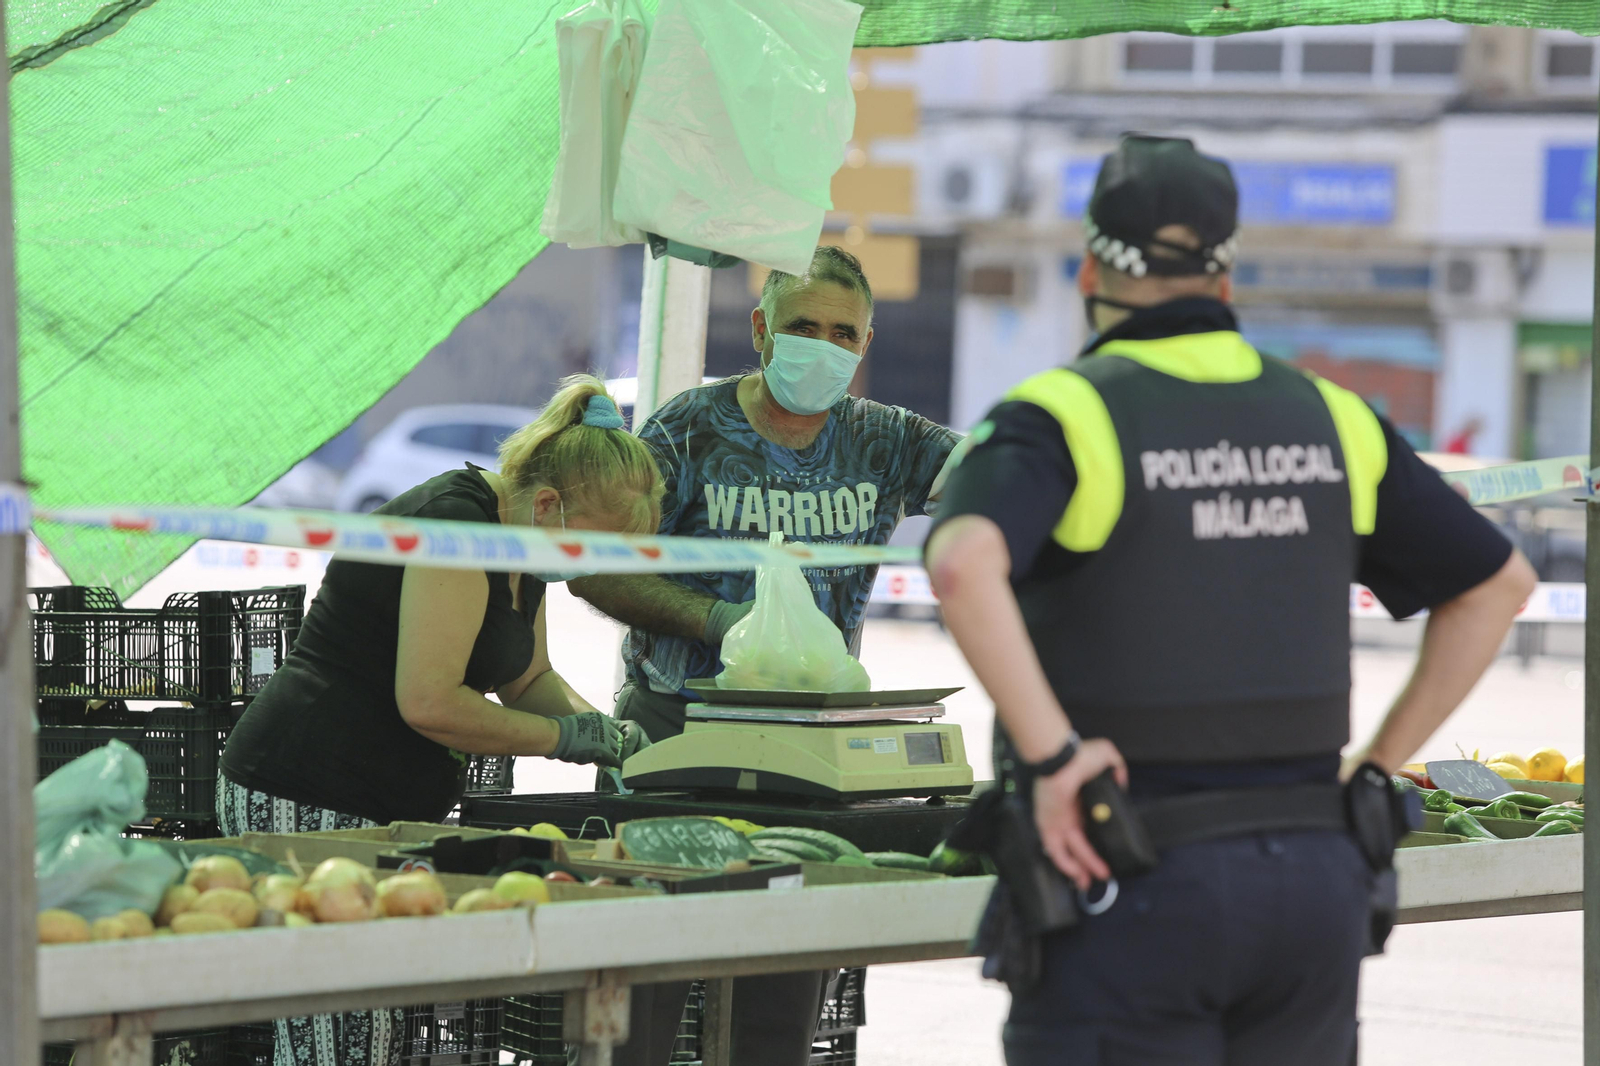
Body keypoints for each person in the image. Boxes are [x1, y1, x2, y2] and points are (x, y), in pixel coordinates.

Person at [924, 135, 1537, 1066]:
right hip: (1312, 888)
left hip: (1129, 876)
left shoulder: (1066, 414)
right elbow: (1499, 583)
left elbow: (965, 562)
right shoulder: (1333, 418)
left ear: (1091, 265)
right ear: (1224, 273)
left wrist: (1053, 760)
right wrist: (1376, 770)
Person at [570, 245, 962, 1066]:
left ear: (865, 345)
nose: (822, 346)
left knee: (778, 1002)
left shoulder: (884, 439)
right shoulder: (689, 425)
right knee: (643, 991)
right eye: (802, 326)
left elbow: (1004, 478)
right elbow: (595, 566)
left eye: (842, 334)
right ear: (759, 328)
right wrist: (718, 621)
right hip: (674, 741)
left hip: (808, 755)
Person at [218, 375, 662, 1066]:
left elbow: (528, 677)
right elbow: (429, 702)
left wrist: (604, 732)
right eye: (594, 550)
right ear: (549, 504)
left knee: (368, 1033)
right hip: (307, 788)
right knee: (334, 1042)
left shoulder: (526, 539)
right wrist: (562, 739)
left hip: (380, 802)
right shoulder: (455, 526)